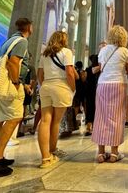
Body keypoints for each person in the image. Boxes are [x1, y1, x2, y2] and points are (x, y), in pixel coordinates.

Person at [0, 18, 33, 177]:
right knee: (14, 118)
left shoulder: (8, 41)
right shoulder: (22, 41)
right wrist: (17, 82)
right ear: (29, 28)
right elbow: (13, 62)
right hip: (10, 85)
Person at [91, 25, 128, 163]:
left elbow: (101, 66)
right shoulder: (125, 51)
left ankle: (101, 153)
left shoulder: (103, 50)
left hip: (103, 84)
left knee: (101, 116)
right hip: (118, 84)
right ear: (123, 37)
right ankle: (114, 153)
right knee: (117, 116)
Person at [37, 31, 76, 168]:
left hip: (46, 86)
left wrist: (45, 86)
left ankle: (45, 158)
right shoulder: (66, 52)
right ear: (63, 40)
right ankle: (52, 150)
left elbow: (39, 74)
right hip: (61, 86)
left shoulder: (45, 54)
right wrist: (72, 88)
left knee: (45, 120)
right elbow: (70, 73)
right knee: (56, 122)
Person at [84, 54, 100, 136]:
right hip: (97, 90)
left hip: (89, 90)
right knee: (96, 108)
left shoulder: (88, 69)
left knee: (89, 108)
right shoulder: (100, 69)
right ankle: (94, 126)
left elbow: (85, 79)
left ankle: (88, 127)